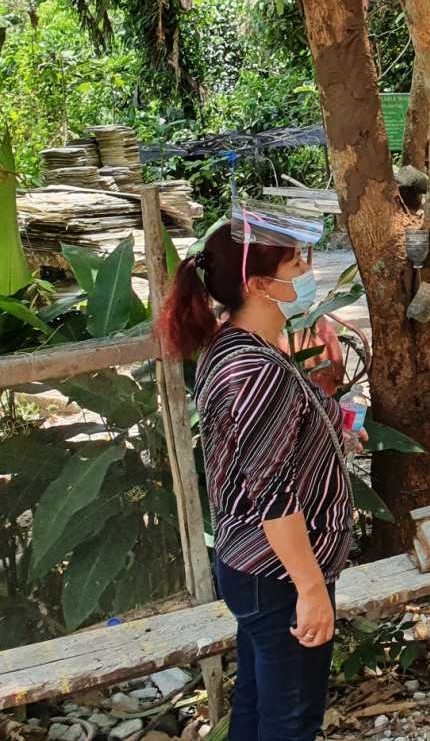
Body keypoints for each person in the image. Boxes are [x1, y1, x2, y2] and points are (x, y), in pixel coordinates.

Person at [156, 209, 360, 741]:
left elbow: (264, 448)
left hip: (255, 568)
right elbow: (273, 498)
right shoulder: (256, 372)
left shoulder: (235, 349)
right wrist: (310, 588)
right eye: (296, 263)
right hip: (279, 573)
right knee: (291, 720)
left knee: (257, 703)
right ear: (257, 284)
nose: (306, 270)